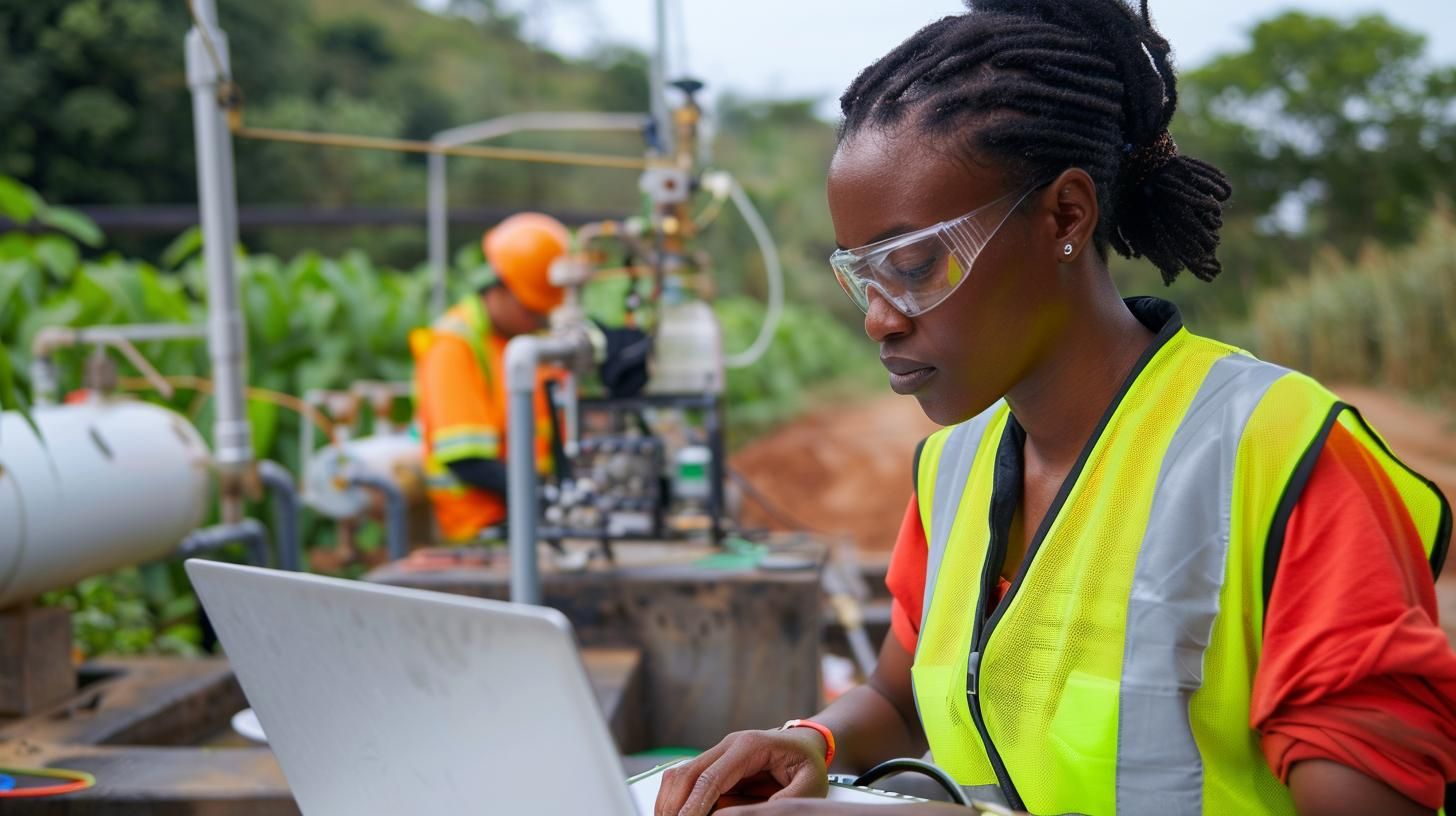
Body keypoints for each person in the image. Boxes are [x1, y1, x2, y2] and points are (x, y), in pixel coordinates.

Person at [655, 1, 1456, 815]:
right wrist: (813, 740)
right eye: (862, 277)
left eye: (914, 264)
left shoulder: (1278, 459)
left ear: (1067, 216)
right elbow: (901, 701)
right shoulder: (953, 472)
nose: (879, 318)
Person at [412, 213, 567, 543]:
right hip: (477, 530)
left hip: (522, 519)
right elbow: (466, 460)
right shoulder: (454, 346)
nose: (537, 322)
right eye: (531, 311)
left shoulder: (516, 343)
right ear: (499, 287)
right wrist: (542, 494)